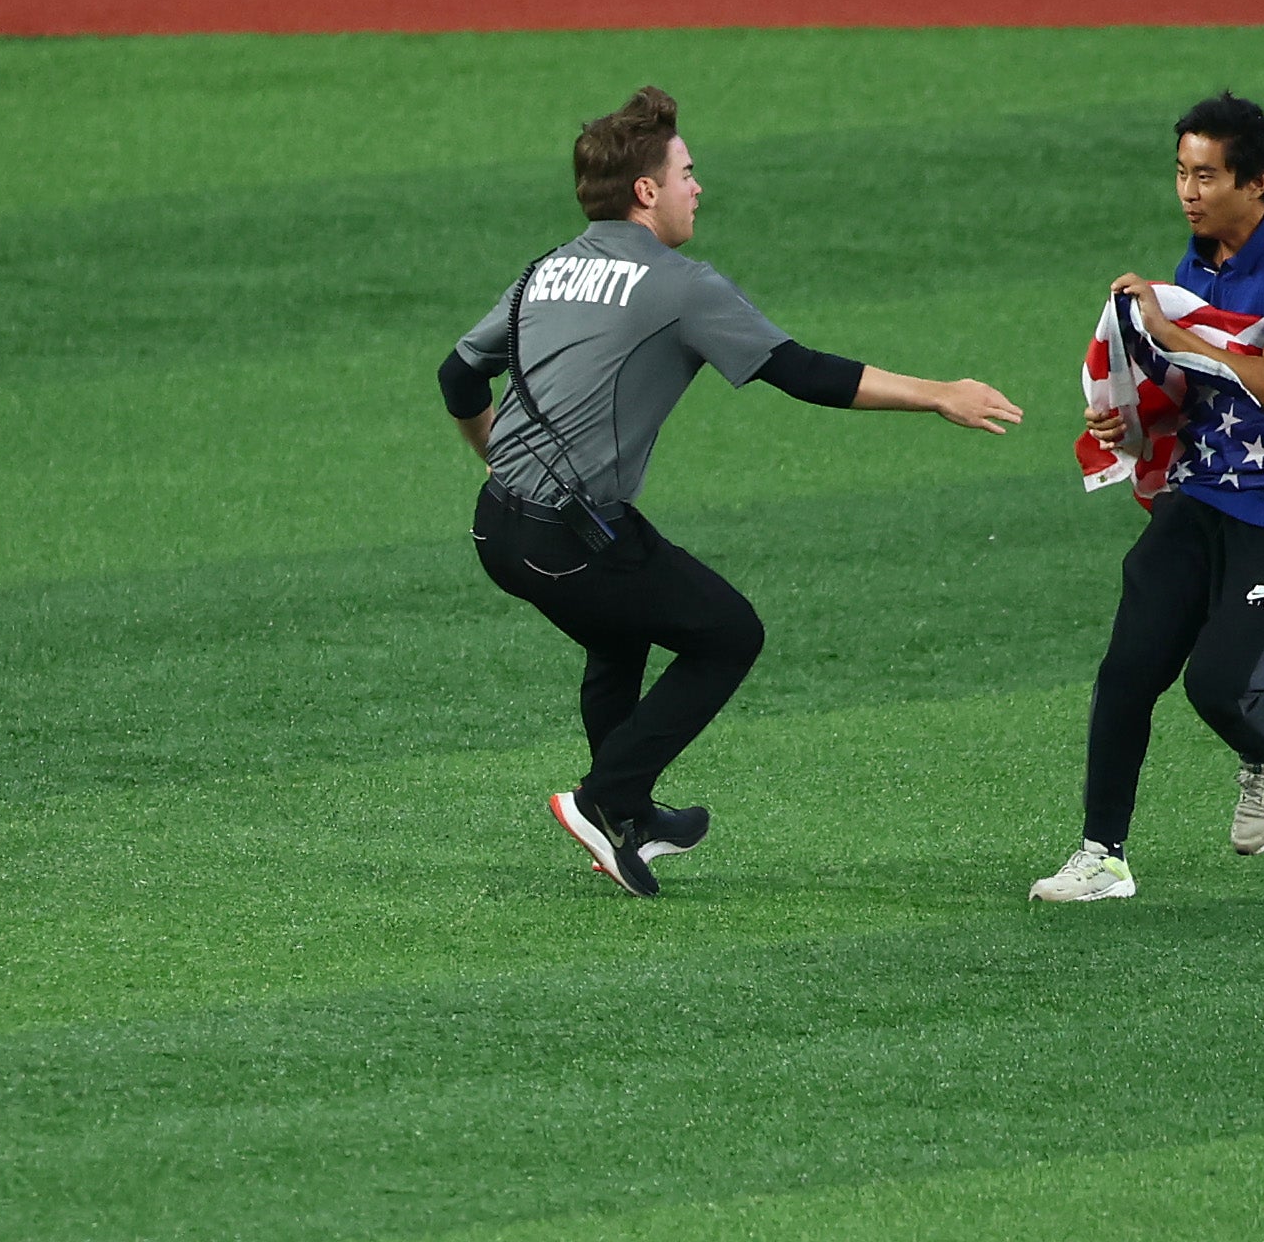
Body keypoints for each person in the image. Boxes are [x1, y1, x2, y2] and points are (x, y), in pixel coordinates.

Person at [438, 85, 1022, 897]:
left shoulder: (547, 267)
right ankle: (606, 798)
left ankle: (632, 816)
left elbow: (459, 372)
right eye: (685, 171)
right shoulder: (680, 284)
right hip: (570, 544)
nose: (696, 186)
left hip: (497, 530)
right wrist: (938, 392)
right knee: (727, 632)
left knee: (622, 621)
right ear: (646, 192)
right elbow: (802, 372)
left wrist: (496, 458)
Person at [1033, 92, 1264, 903]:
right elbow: (1198, 387)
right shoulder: (1199, 263)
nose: (1188, 191)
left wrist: (1167, 325)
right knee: (1127, 672)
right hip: (1205, 489)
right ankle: (1101, 856)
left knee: (1219, 686)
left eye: (1207, 176)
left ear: (1256, 183)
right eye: (1182, 172)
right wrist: (1132, 421)